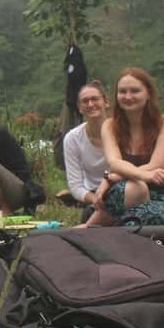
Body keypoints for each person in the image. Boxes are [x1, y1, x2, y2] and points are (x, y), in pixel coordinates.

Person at [90, 68, 164, 231]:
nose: (128, 97)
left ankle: (92, 227)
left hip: (157, 198)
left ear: (148, 93)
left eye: (135, 91)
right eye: (122, 91)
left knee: (142, 213)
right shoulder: (109, 125)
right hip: (121, 194)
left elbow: (156, 165)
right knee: (136, 187)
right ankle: (97, 227)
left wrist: (110, 178)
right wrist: (142, 175)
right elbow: (114, 162)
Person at [63, 81, 110, 222]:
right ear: (79, 108)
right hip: (94, 195)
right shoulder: (72, 138)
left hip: (121, 189)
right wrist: (95, 199)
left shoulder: (120, 132)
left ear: (106, 103)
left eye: (95, 99)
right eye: (85, 101)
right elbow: (75, 185)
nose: (90, 104)